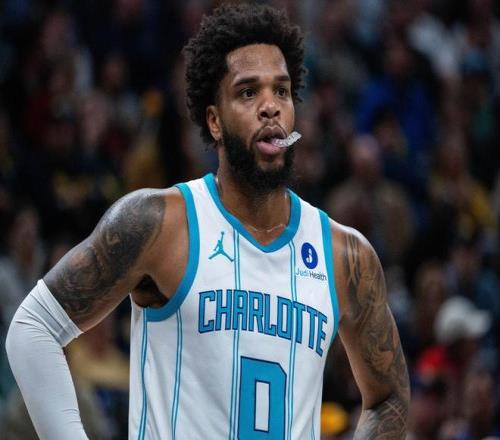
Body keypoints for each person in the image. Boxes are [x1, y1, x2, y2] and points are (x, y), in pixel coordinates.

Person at [6, 4, 409, 439]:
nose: (270, 107)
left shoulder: (346, 255)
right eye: (248, 93)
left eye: (282, 91)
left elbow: (389, 399)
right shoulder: (158, 224)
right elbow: (33, 328)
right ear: (214, 121)